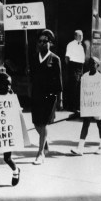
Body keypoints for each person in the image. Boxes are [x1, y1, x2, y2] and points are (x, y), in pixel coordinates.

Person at [30, 29, 62, 165]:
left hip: (49, 96)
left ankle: (40, 153)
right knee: (36, 124)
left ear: (50, 43)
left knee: (43, 123)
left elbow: (59, 81)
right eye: (40, 41)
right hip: (36, 94)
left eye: (45, 41)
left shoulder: (55, 59)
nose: (42, 44)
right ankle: (45, 143)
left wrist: (60, 99)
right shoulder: (33, 57)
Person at [71, 57, 101, 155]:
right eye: (89, 63)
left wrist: (97, 103)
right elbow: (83, 91)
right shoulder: (84, 76)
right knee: (86, 123)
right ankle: (80, 148)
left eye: (93, 63)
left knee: (99, 123)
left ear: (97, 65)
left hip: (97, 104)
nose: (91, 64)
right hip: (87, 105)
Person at [65, 30, 86, 114]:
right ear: (75, 36)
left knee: (78, 88)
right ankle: (71, 106)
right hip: (73, 67)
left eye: (82, 35)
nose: (81, 37)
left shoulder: (81, 46)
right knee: (73, 86)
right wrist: (70, 69)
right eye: (79, 36)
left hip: (80, 68)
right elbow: (67, 58)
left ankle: (76, 106)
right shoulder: (71, 44)